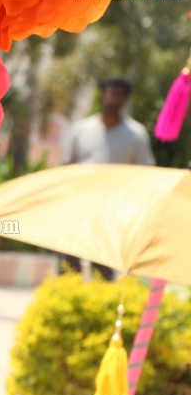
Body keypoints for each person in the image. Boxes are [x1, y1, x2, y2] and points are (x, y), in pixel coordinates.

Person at [60, 76, 155, 279]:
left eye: (119, 95)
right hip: (77, 206)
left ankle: (100, 305)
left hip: (111, 211)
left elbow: (144, 175)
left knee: (102, 265)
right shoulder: (82, 129)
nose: (113, 99)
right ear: (103, 95)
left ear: (125, 100)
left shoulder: (136, 135)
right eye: (111, 93)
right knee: (68, 262)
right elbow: (66, 166)